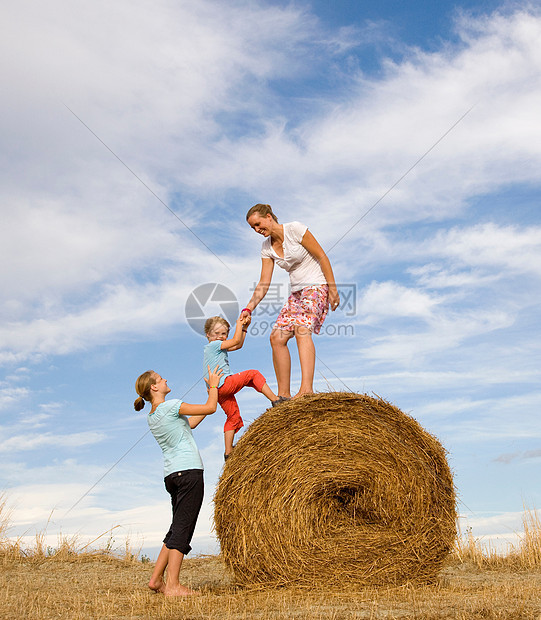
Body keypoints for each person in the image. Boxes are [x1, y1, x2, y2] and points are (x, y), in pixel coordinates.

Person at [134, 365, 222, 597]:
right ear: (154, 387)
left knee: (176, 527)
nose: (165, 380)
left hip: (172, 475)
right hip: (189, 472)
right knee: (184, 528)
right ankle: (173, 584)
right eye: (161, 379)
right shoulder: (172, 406)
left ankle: (156, 579)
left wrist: (212, 394)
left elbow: (189, 424)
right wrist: (213, 386)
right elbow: (211, 408)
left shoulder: (153, 416)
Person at [241, 204, 340, 399]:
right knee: (276, 337)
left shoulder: (295, 229)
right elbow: (264, 282)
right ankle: (284, 395)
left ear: (269, 217)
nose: (257, 230)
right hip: (296, 293)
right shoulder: (266, 247)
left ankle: (306, 390)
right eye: (253, 228)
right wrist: (248, 308)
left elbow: (321, 256)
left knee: (301, 329)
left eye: (258, 224)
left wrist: (333, 288)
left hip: (316, 285)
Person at [203, 315, 280, 460]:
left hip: (217, 391)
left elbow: (238, 345)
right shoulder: (213, 346)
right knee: (253, 374)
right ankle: (276, 400)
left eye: (224, 334)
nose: (220, 337)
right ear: (208, 334)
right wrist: (238, 323)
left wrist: (244, 328)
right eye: (216, 333)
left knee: (233, 417)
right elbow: (236, 340)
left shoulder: (218, 348)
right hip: (224, 383)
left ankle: (228, 452)